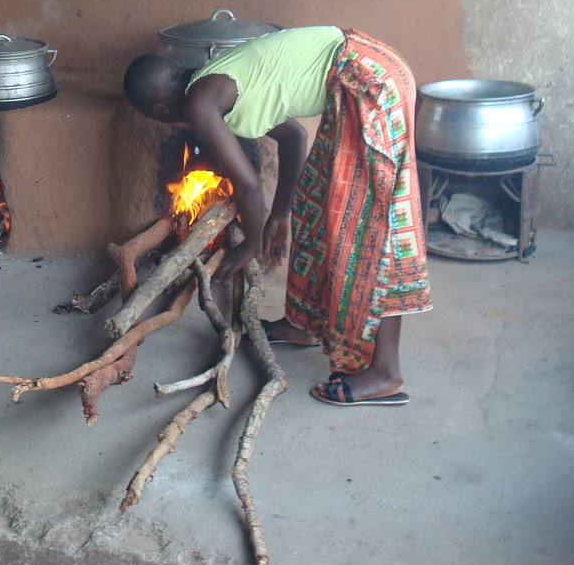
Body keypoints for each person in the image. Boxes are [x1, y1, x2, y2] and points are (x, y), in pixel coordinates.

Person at [123, 25, 431, 406]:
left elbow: (250, 187)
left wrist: (250, 245)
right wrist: (282, 212)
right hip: (362, 70)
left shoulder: (200, 102)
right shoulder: (216, 82)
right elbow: (293, 138)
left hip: (369, 81)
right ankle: (303, 323)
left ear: (158, 110)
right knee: (318, 205)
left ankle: (386, 373)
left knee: (370, 231)